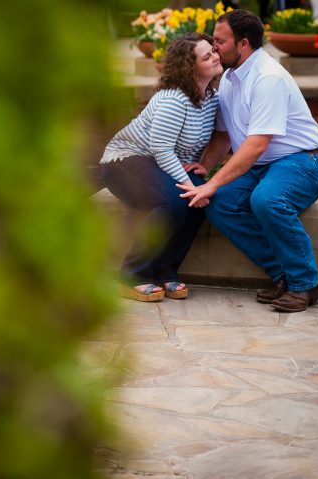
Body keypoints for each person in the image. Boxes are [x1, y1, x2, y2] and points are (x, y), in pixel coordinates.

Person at [177, 10, 318, 312]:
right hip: (265, 167)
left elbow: (257, 145)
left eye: (219, 41)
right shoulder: (231, 76)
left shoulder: (267, 78)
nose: (213, 45)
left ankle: (305, 283)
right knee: (220, 204)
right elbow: (223, 135)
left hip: (303, 163)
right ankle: (284, 273)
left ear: (243, 43)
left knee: (267, 200)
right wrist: (206, 166)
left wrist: (211, 184)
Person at [100, 33, 222, 302]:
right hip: (125, 160)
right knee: (176, 200)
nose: (215, 56)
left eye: (213, 51)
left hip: (161, 163)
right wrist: (188, 183)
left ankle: (167, 271)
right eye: (207, 56)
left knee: (201, 200)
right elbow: (161, 149)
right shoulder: (174, 100)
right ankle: (132, 275)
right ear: (190, 68)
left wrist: (201, 172)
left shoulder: (211, 96)